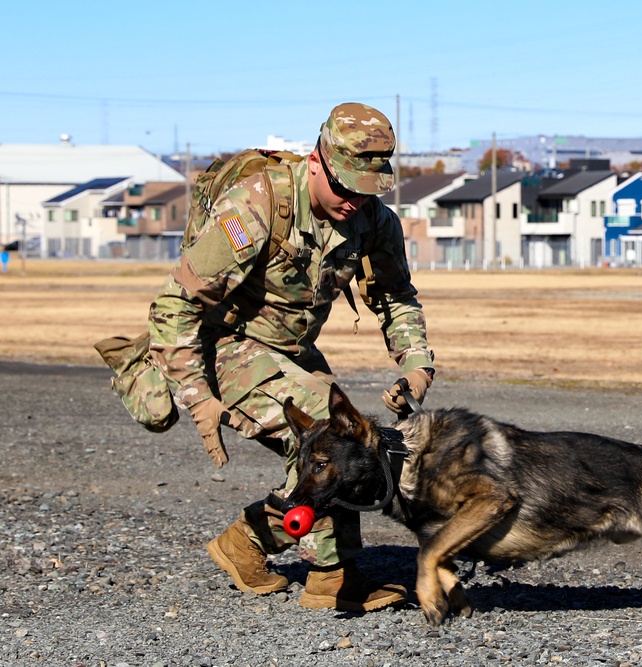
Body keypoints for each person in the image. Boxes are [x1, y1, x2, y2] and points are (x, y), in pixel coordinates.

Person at [147, 103, 434, 612]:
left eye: (367, 190)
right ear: (318, 161)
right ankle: (331, 579)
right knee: (330, 428)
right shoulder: (259, 204)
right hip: (225, 345)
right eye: (344, 186)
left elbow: (395, 296)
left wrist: (416, 363)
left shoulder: (373, 221)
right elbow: (177, 303)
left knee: (354, 438)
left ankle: (250, 545)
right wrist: (197, 395)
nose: (354, 201)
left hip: (291, 350)